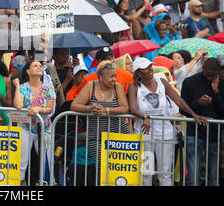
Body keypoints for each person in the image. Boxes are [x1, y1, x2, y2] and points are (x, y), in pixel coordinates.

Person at [128, 57, 207, 186]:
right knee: (145, 171)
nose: (150, 69)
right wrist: (144, 117)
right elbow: (132, 108)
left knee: (165, 173)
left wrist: (194, 114)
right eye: (146, 68)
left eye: (150, 66)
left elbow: (178, 101)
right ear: (138, 72)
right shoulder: (134, 86)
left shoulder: (162, 82)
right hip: (144, 133)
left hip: (165, 133)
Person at [70, 61, 129, 181]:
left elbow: (125, 107)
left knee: (118, 170)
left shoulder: (117, 87)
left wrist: (106, 110)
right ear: (100, 77)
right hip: (96, 136)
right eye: (110, 76)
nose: (114, 79)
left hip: (117, 135)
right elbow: (74, 105)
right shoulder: (90, 86)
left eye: (115, 76)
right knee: (101, 169)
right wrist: (90, 108)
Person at [181, 57, 223, 186]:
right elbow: (182, 109)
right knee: (193, 177)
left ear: (218, 73)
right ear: (203, 68)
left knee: (214, 178)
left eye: (213, 75)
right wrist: (198, 103)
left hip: (214, 135)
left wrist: (216, 93)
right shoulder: (189, 82)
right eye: (208, 74)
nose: (210, 78)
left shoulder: (221, 84)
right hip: (194, 133)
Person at [12, 60, 55, 185]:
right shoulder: (23, 87)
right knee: (22, 160)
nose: (39, 67)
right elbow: (18, 105)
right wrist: (17, 86)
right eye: (35, 65)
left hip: (44, 128)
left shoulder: (48, 87)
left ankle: (48, 183)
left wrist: (38, 109)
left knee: (46, 160)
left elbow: (50, 108)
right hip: (26, 128)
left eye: (40, 66)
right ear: (28, 71)